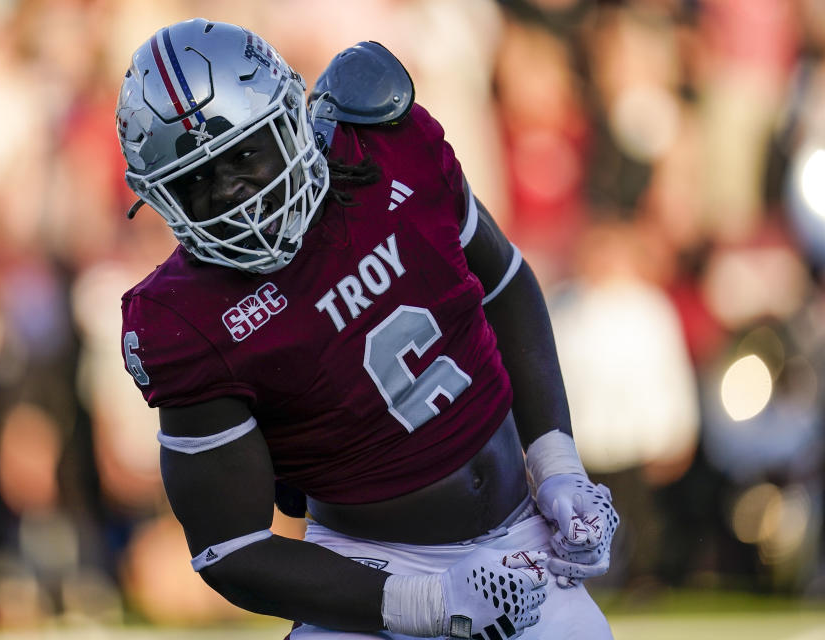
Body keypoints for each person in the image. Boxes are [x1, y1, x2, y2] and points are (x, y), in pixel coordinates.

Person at [115, 18, 618, 639]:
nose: (230, 192)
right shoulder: (184, 321)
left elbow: (505, 284)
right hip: (370, 574)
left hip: (522, 537)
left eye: (243, 154)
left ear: (289, 119)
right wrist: (430, 603)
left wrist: (557, 465)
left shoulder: (385, 145)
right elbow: (230, 548)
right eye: (195, 181)